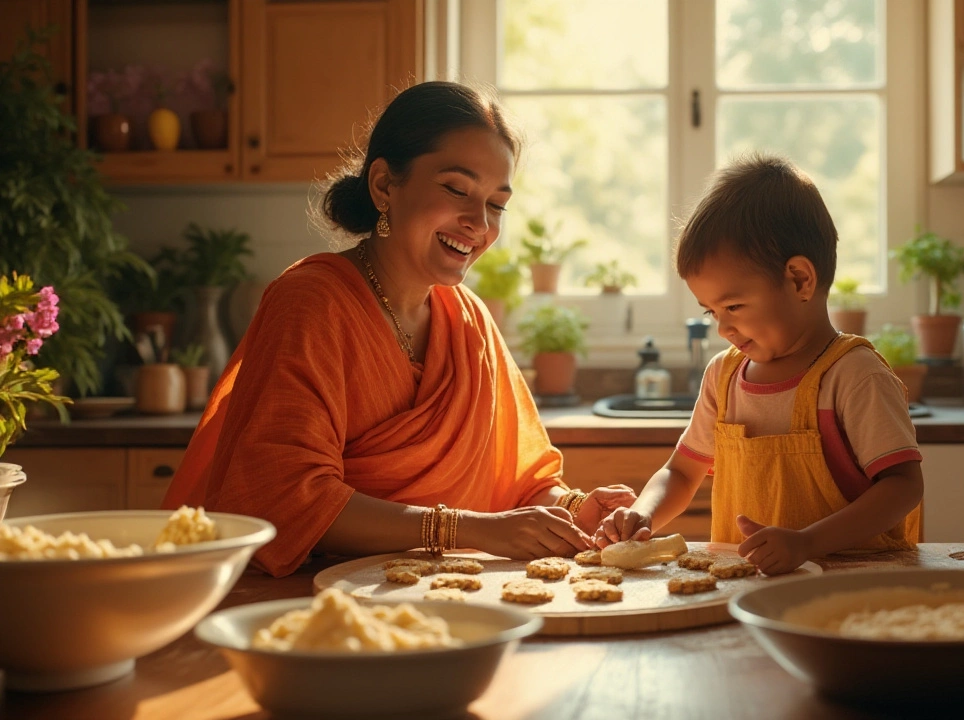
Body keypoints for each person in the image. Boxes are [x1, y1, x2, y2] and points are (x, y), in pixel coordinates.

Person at [163, 81, 634, 577]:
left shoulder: (469, 320)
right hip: (318, 607)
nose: (479, 222)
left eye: (496, 204)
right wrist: (465, 530)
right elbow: (284, 495)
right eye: (457, 189)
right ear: (385, 184)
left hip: (455, 597)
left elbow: (520, 484)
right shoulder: (310, 303)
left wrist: (575, 507)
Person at [594, 155, 923, 575]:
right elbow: (680, 472)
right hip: (745, 587)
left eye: (733, 305)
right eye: (713, 312)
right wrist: (643, 515)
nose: (724, 328)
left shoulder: (854, 376)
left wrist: (807, 543)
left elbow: (902, 488)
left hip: (852, 588)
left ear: (800, 279)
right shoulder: (724, 377)